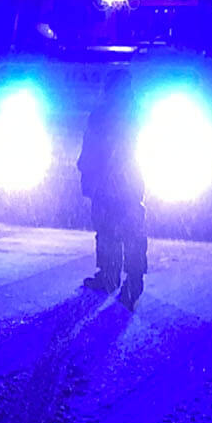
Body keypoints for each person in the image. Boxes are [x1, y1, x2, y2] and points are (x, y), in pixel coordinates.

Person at [78, 67, 147, 307]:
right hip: (123, 181)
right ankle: (126, 279)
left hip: (113, 181)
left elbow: (92, 148)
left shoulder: (107, 114)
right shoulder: (132, 112)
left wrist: (88, 173)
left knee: (114, 230)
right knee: (124, 231)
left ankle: (115, 276)